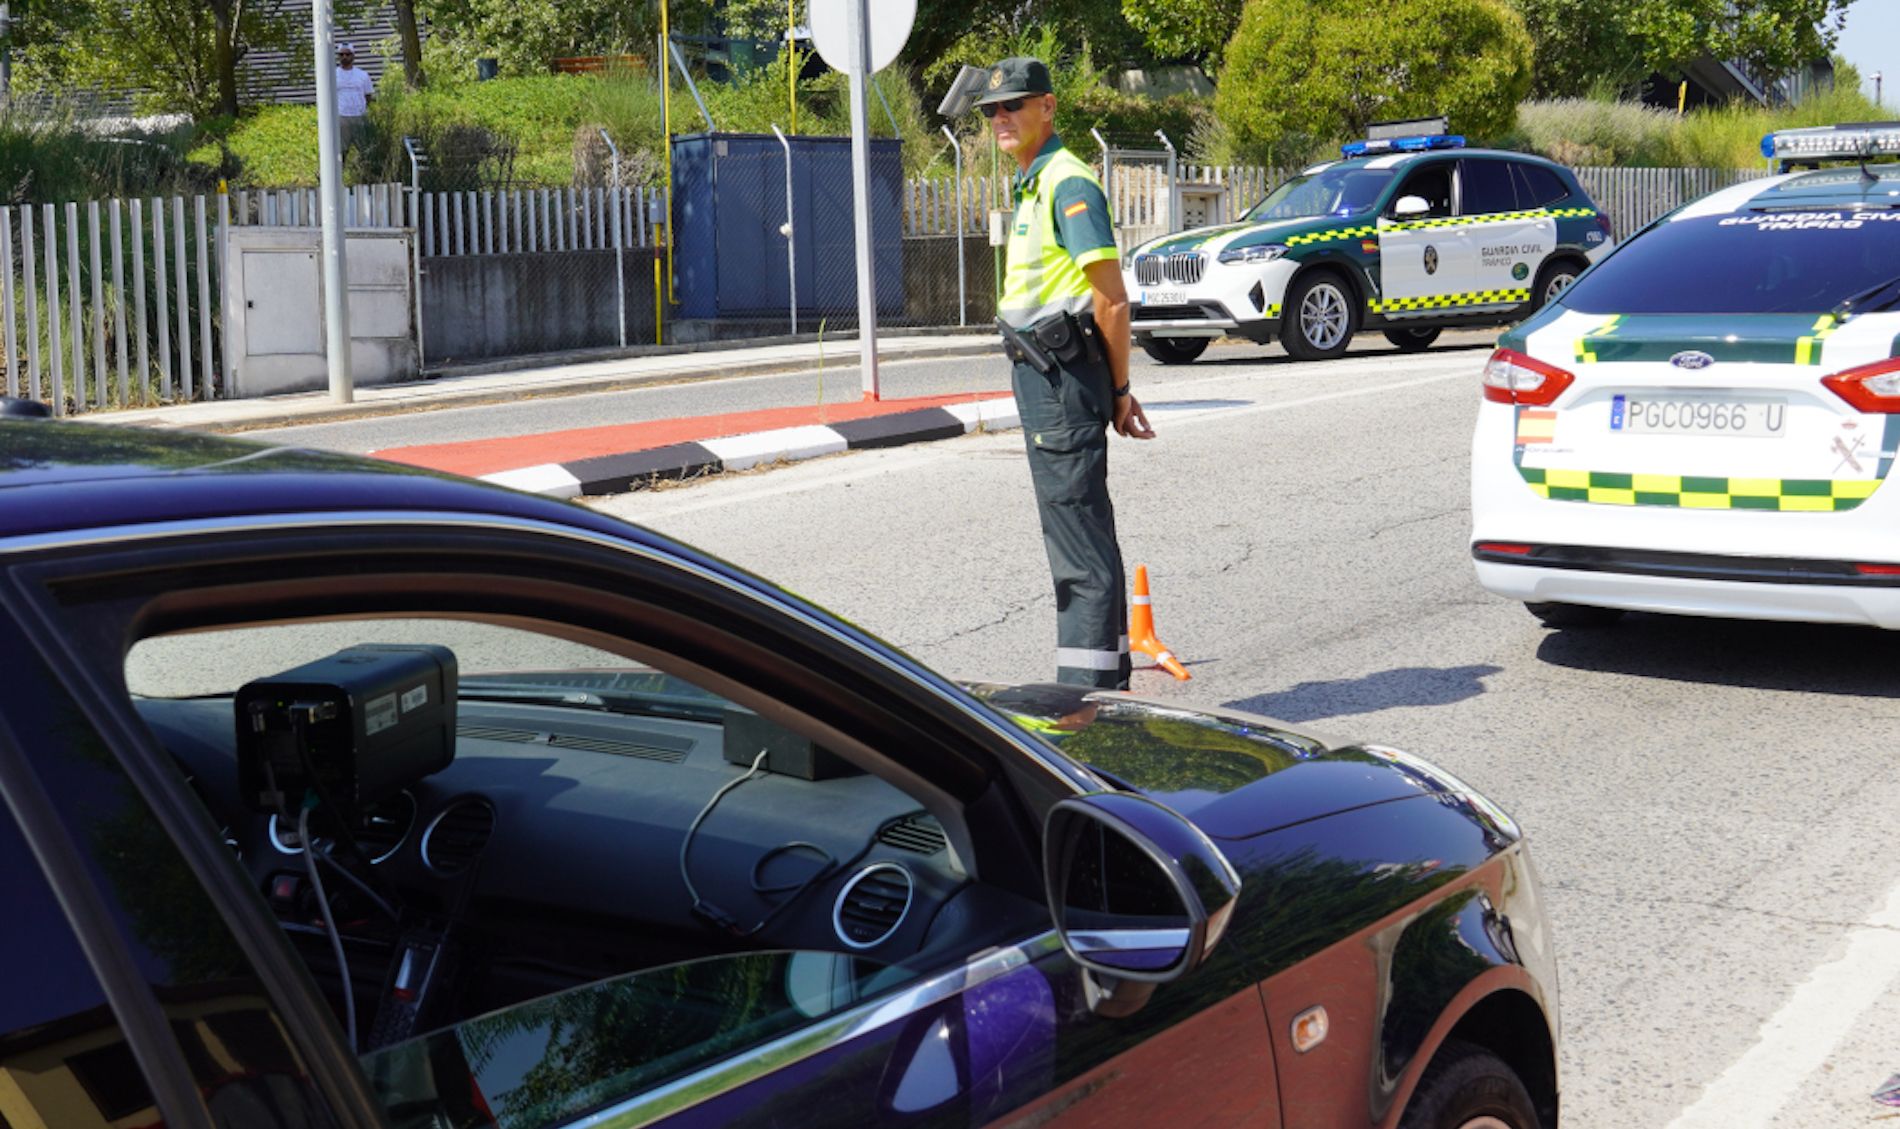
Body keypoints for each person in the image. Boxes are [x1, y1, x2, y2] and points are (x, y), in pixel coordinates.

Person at [976, 57, 1154, 691]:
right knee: (1081, 530)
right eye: (992, 109)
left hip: (1061, 379)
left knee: (1076, 545)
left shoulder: (1067, 183)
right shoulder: (1033, 181)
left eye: (1013, 105)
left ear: (1047, 107)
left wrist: (1119, 390)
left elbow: (1112, 299)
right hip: (1047, 376)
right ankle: (1106, 694)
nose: (1000, 117)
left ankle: (1085, 710)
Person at [334, 43, 374, 152]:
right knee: (341, 151)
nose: (344, 57)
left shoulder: (363, 75)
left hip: (359, 117)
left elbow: (368, 96)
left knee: (365, 150)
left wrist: (365, 112)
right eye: (341, 54)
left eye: (347, 54)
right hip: (341, 117)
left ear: (353, 55)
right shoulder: (332, 75)